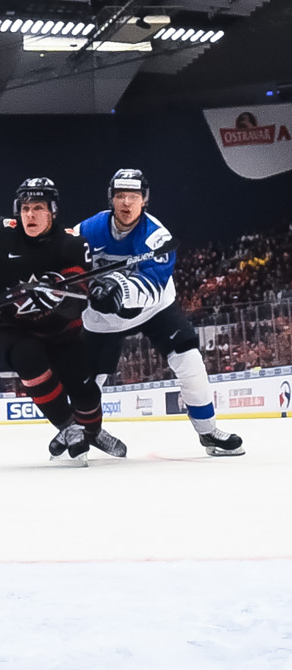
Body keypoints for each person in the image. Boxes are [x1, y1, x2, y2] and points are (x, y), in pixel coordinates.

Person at [76, 169, 243, 456]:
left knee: (190, 361)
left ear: (144, 200)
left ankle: (208, 432)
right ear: (111, 199)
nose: (126, 203)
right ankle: (79, 431)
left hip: (156, 309)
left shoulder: (157, 236)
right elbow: (64, 259)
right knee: (87, 380)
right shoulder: (88, 230)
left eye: (133, 196)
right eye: (120, 196)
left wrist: (119, 289)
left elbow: (153, 285)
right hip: (103, 318)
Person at [0, 177, 116, 464]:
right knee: (29, 359)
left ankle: (92, 431)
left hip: (62, 332)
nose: (30, 214)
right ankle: (68, 428)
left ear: (52, 210)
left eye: (38, 207)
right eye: (25, 207)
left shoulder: (73, 244)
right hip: (12, 328)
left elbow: (81, 291)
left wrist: (64, 292)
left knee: (86, 392)